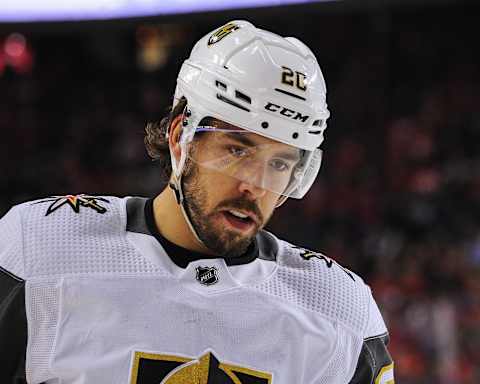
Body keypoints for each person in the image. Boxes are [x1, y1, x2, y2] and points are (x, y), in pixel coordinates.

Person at [0, 20, 394, 384]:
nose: (255, 187)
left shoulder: (338, 311)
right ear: (179, 138)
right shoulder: (39, 251)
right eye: (237, 152)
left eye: (278, 163)